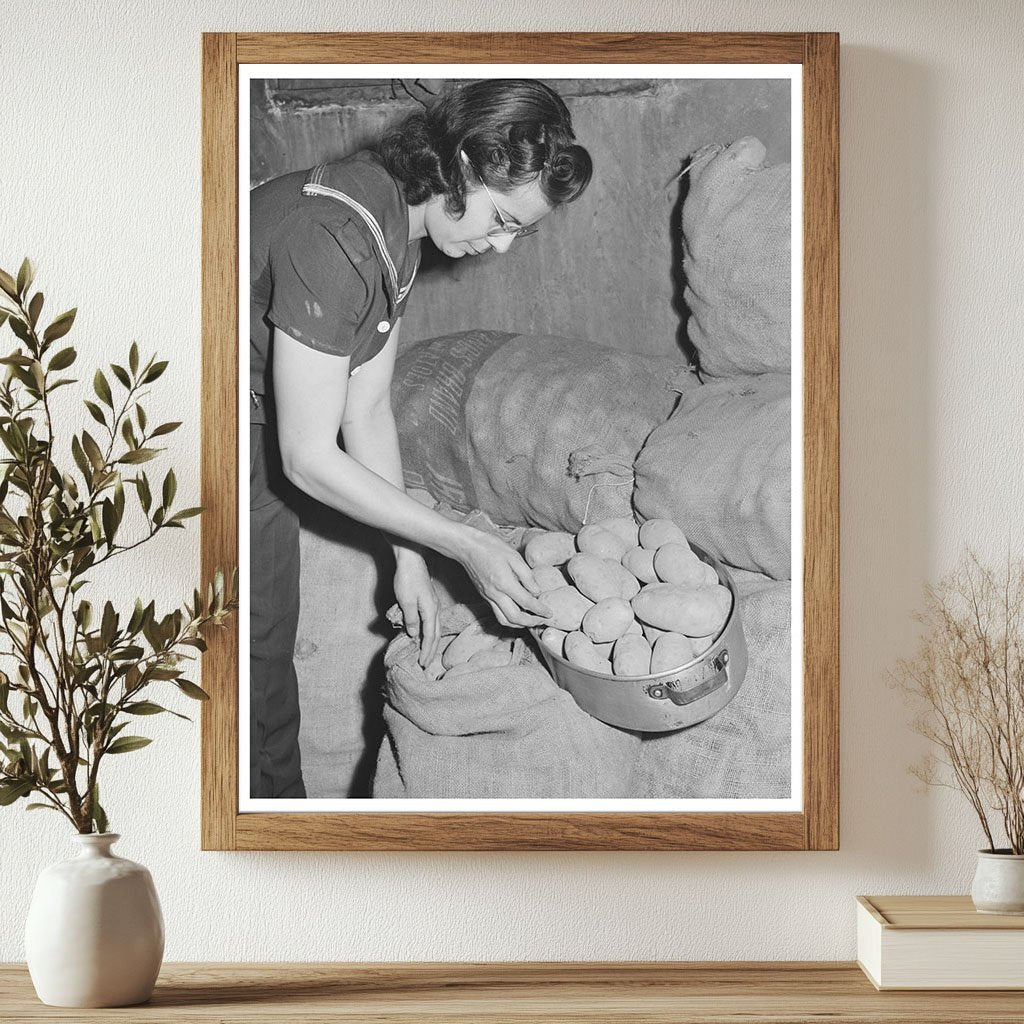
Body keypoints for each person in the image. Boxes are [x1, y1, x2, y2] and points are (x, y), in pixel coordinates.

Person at [249, 79, 593, 798]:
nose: (497, 247)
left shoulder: (394, 236)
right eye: (500, 218)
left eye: (518, 232)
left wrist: (406, 561)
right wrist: (463, 543)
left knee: (264, 658)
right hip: (187, 431)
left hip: (252, 432)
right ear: (461, 164)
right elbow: (307, 456)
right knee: (246, 670)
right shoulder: (338, 233)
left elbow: (365, 411)